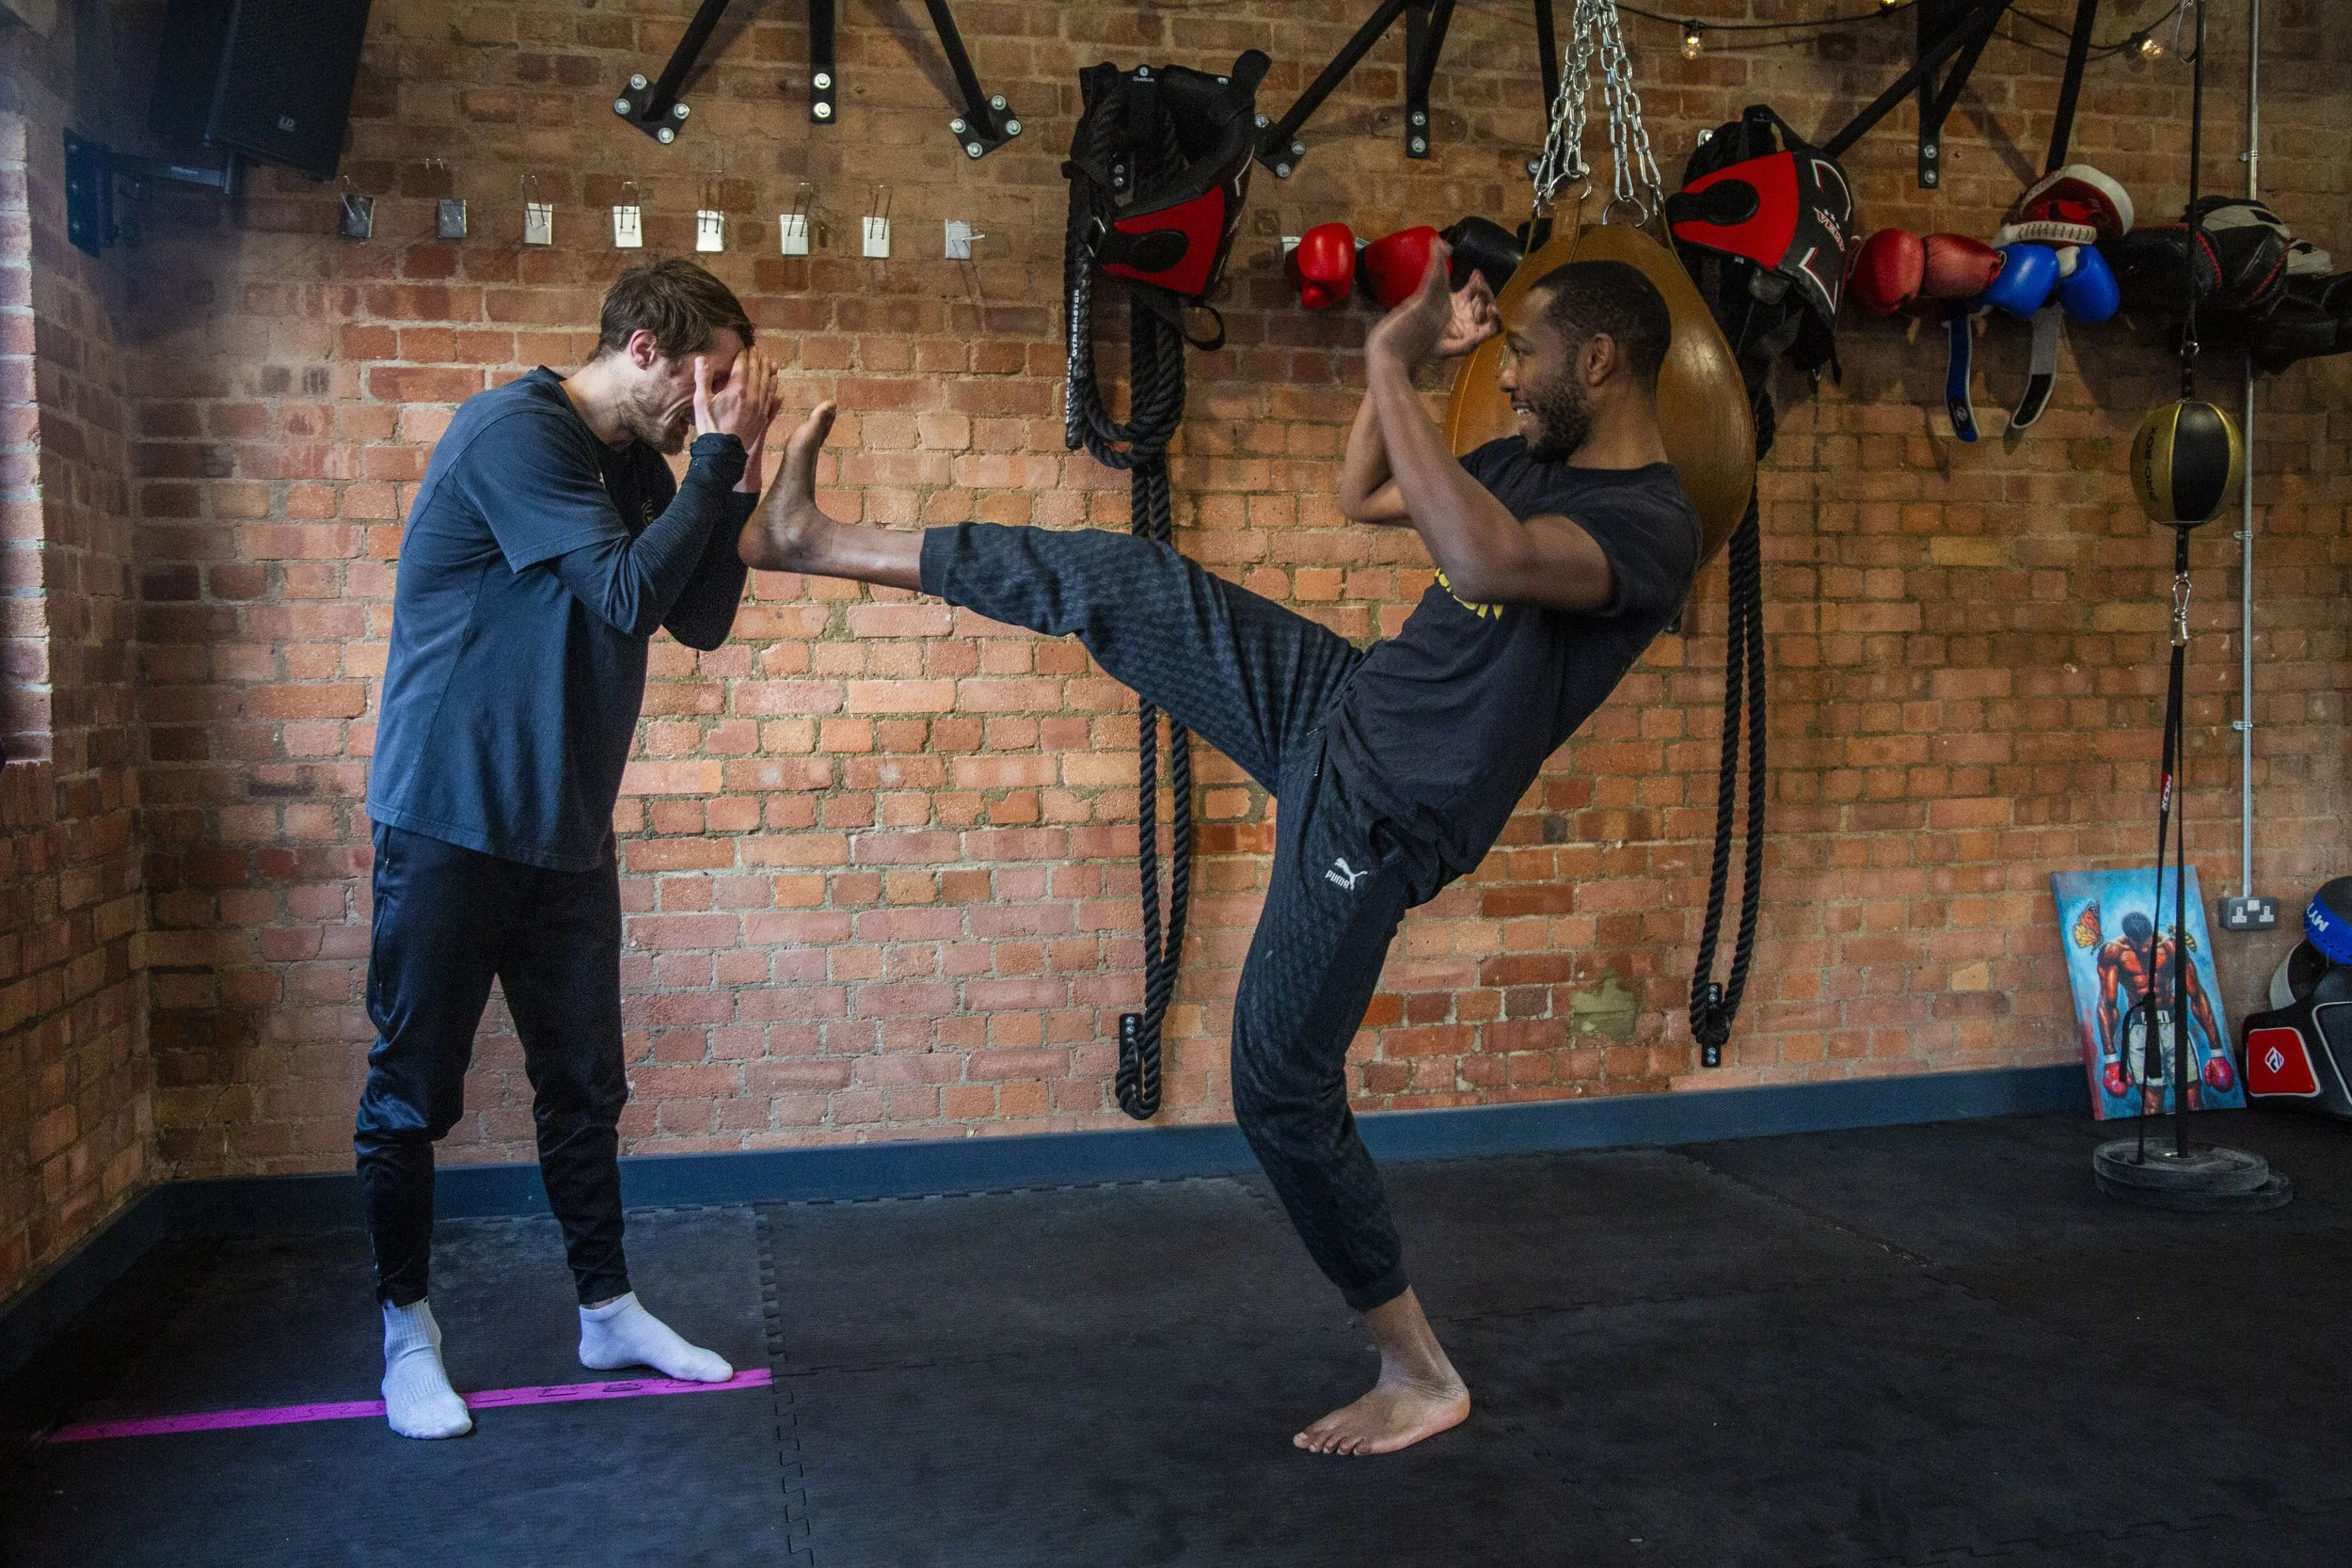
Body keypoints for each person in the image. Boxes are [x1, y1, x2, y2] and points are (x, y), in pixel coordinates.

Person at [739, 245, 1701, 1455]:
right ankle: (815, 538)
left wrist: (1388, 352)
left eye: (1523, 355)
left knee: (1278, 1085)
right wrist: (1403, 372)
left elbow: (1482, 559)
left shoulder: (1654, 524)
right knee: (1120, 576)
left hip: (1387, 810)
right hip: (1336, 705)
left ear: (1598, 360)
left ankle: (1419, 1371)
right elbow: (1365, 489)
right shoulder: (1525, 463)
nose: (1504, 378)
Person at [358, 259, 782, 1439]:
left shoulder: (639, 463)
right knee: (410, 1092)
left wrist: (734, 478)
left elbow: (694, 616)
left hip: (563, 829)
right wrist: (714, 461)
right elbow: (621, 594)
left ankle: (606, 1309)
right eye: (706, 380)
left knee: (585, 1089)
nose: (710, 405)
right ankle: (405, 1334)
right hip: (447, 817)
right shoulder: (515, 433)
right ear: (644, 348)